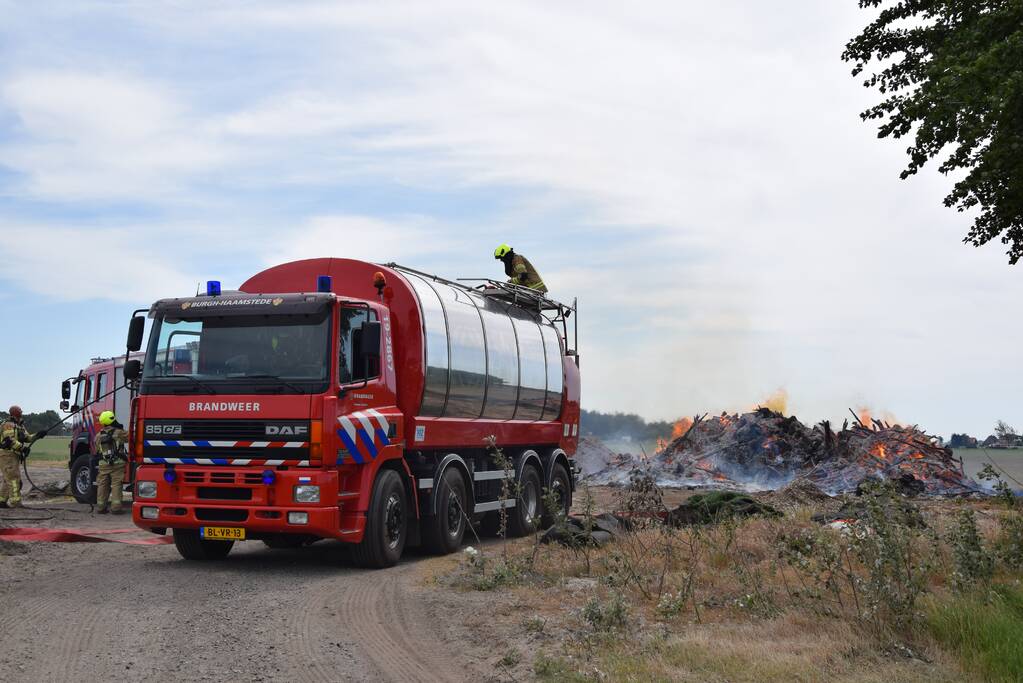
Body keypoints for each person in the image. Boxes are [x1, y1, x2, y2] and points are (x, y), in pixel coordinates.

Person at [0, 405, 45, 509]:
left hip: (14, 455)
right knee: (14, 479)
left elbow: (27, 438)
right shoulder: (8, 425)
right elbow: (9, 440)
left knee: (8, 479)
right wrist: (22, 448)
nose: (22, 411)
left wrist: (38, 435)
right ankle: (16, 503)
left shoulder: (19, 425)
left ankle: (1, 501)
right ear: (14, 412)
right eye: (20, 410)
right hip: (7, 455)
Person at [93, 410, 128, 514]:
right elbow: (130, 438)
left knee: (102, 485)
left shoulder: (98, 435)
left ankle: (100, 507)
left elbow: (97, 450)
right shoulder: (119, 432)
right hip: (118, 464)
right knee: (116, 484)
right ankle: (116, 508)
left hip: (103, 464)